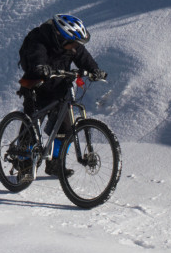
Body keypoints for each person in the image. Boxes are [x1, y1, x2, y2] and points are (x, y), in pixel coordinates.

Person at [17, 14, 107, 176]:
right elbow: (37, 55)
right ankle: (23, 160)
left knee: (66, 128)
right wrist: (40, 67)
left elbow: (83, 58)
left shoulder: (72, 44)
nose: (74, 46)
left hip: (59, 85)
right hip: (35, 83)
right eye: (72, 43)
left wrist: (95, 70)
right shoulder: (39, 39)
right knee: (32, 123)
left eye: (76, 44)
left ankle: (55, 165)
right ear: (60, 37)